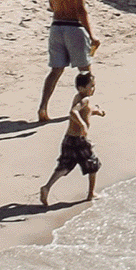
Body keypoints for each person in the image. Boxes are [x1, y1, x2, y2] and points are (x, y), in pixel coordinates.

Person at [39, 0, 100, 123]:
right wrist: (92, 35)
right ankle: (83, 107)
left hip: (56, 26)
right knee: (85, 72)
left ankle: (43, 107)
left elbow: (52, 5)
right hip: (74, 28)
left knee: (55, 70)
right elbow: (81, 10)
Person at [40, 70, 104, 208]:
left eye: (94, 85)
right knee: (93, 165)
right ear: (81, 88)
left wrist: (97, 112)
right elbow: (73, 112)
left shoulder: (79, 98)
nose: (93, 89)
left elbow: (87, 111)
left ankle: (47, 187)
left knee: (65, 166)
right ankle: (91, 193)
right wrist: (82, 125)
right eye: (91, 86)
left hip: (69, 139)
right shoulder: (84, 99)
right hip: (80, 140)